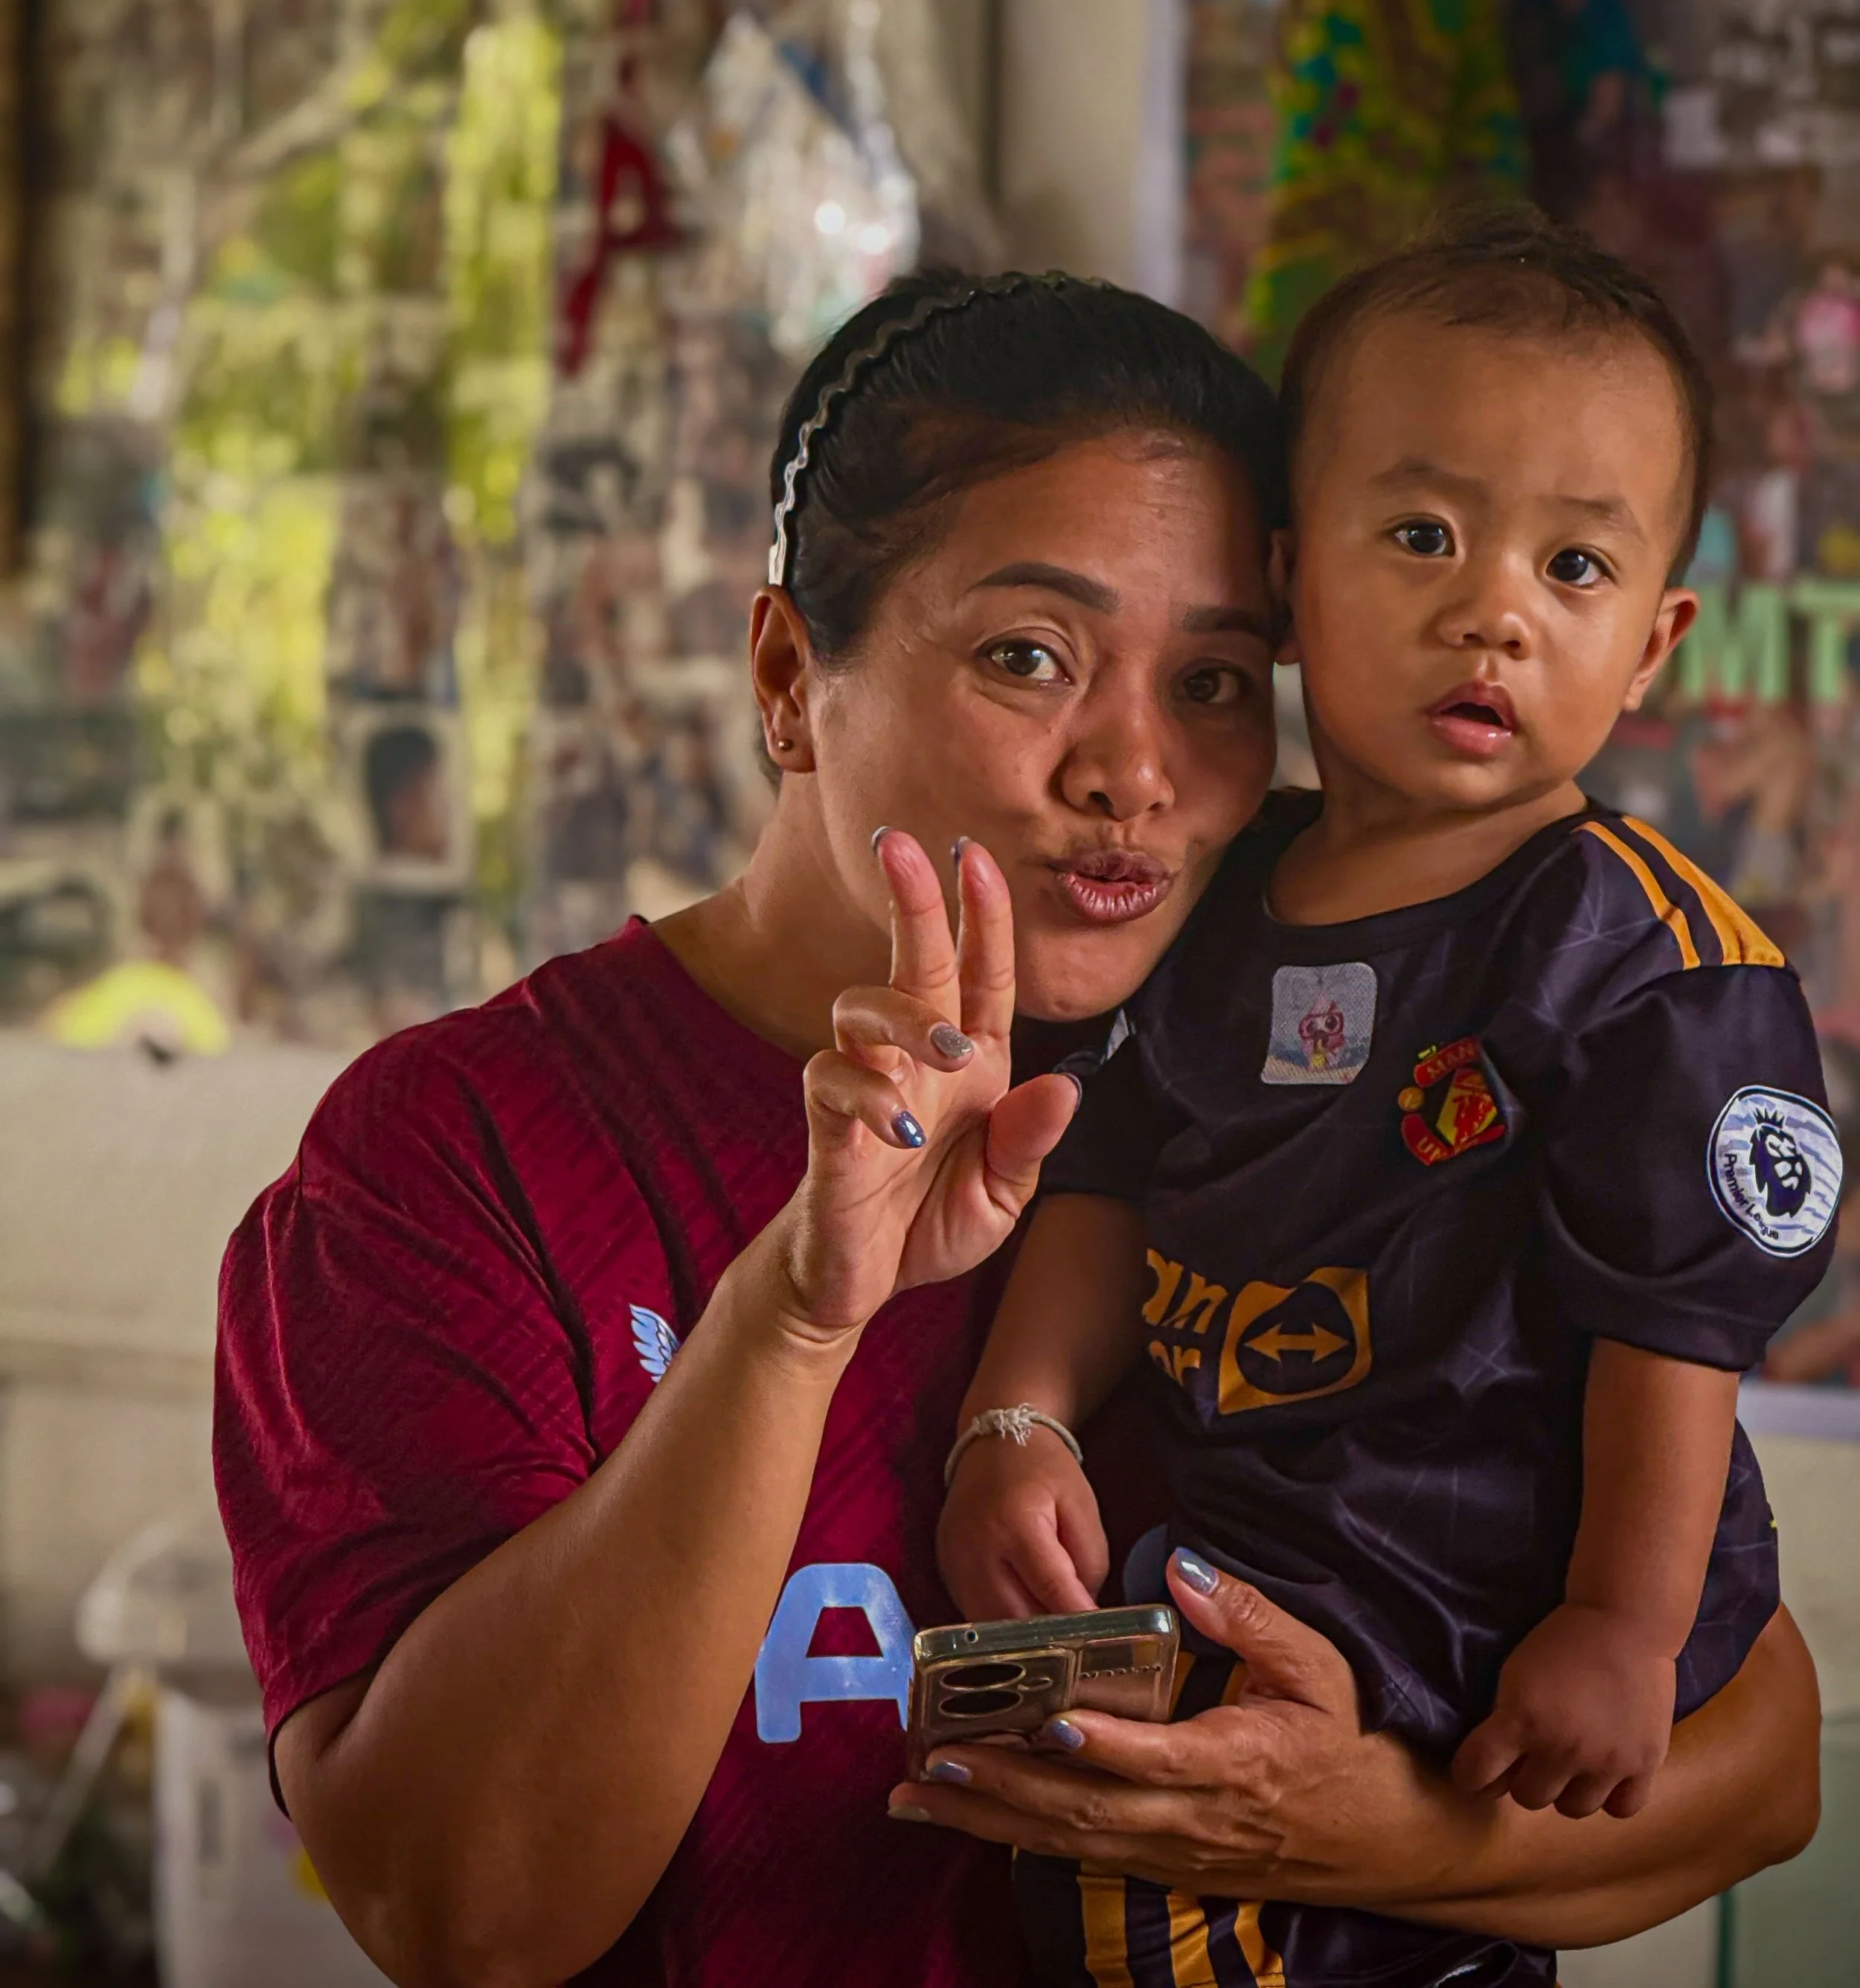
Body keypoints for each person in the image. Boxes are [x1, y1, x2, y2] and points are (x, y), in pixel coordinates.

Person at [214, 269, 1821, 1988]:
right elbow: (462, 1910)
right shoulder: (463, 1152)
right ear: (785, 674)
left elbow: (1759, 1758)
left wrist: (1337, 1829)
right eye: (1027, 656)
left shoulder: (1332, 1060)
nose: (1132, 771)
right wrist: (799, 1314)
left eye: (1211, 681)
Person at [934, 217, 1838, 1987]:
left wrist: (1612, 1624)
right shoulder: (1216, 893)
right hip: (1274, 1528)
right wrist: (1016, 1416)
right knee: (1061, 1782)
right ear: (1285, 578)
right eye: (1421, 533)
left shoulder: (1645, 963)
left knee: (1178, 1811)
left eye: (1571, 567)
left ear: (1652, 640)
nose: (1490, 606)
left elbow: (1670, 1334)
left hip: (1492, 1567)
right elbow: (1110, 1174)